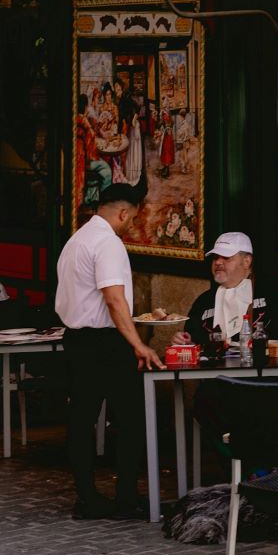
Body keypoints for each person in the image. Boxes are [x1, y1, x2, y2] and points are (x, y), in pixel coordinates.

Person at [55, 182, 164, 520]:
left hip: (75, 339)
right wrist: (138, 344)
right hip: (105, 342)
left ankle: (86, 496)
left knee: (81, 421)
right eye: (131, 218)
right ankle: (126, 496)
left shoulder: (77, 240)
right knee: (131, 419)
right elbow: (114, 300)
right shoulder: (109, 244)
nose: (130, 224)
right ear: (123, 212)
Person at [175, 231, 278, 354]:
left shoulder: (273, 289)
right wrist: (183, 341)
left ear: (246, 261)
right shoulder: (204, 300)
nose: (218, 262)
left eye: (226, 258)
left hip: (265, 374)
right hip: (216, 377)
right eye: (215, 257)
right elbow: (191, 341)